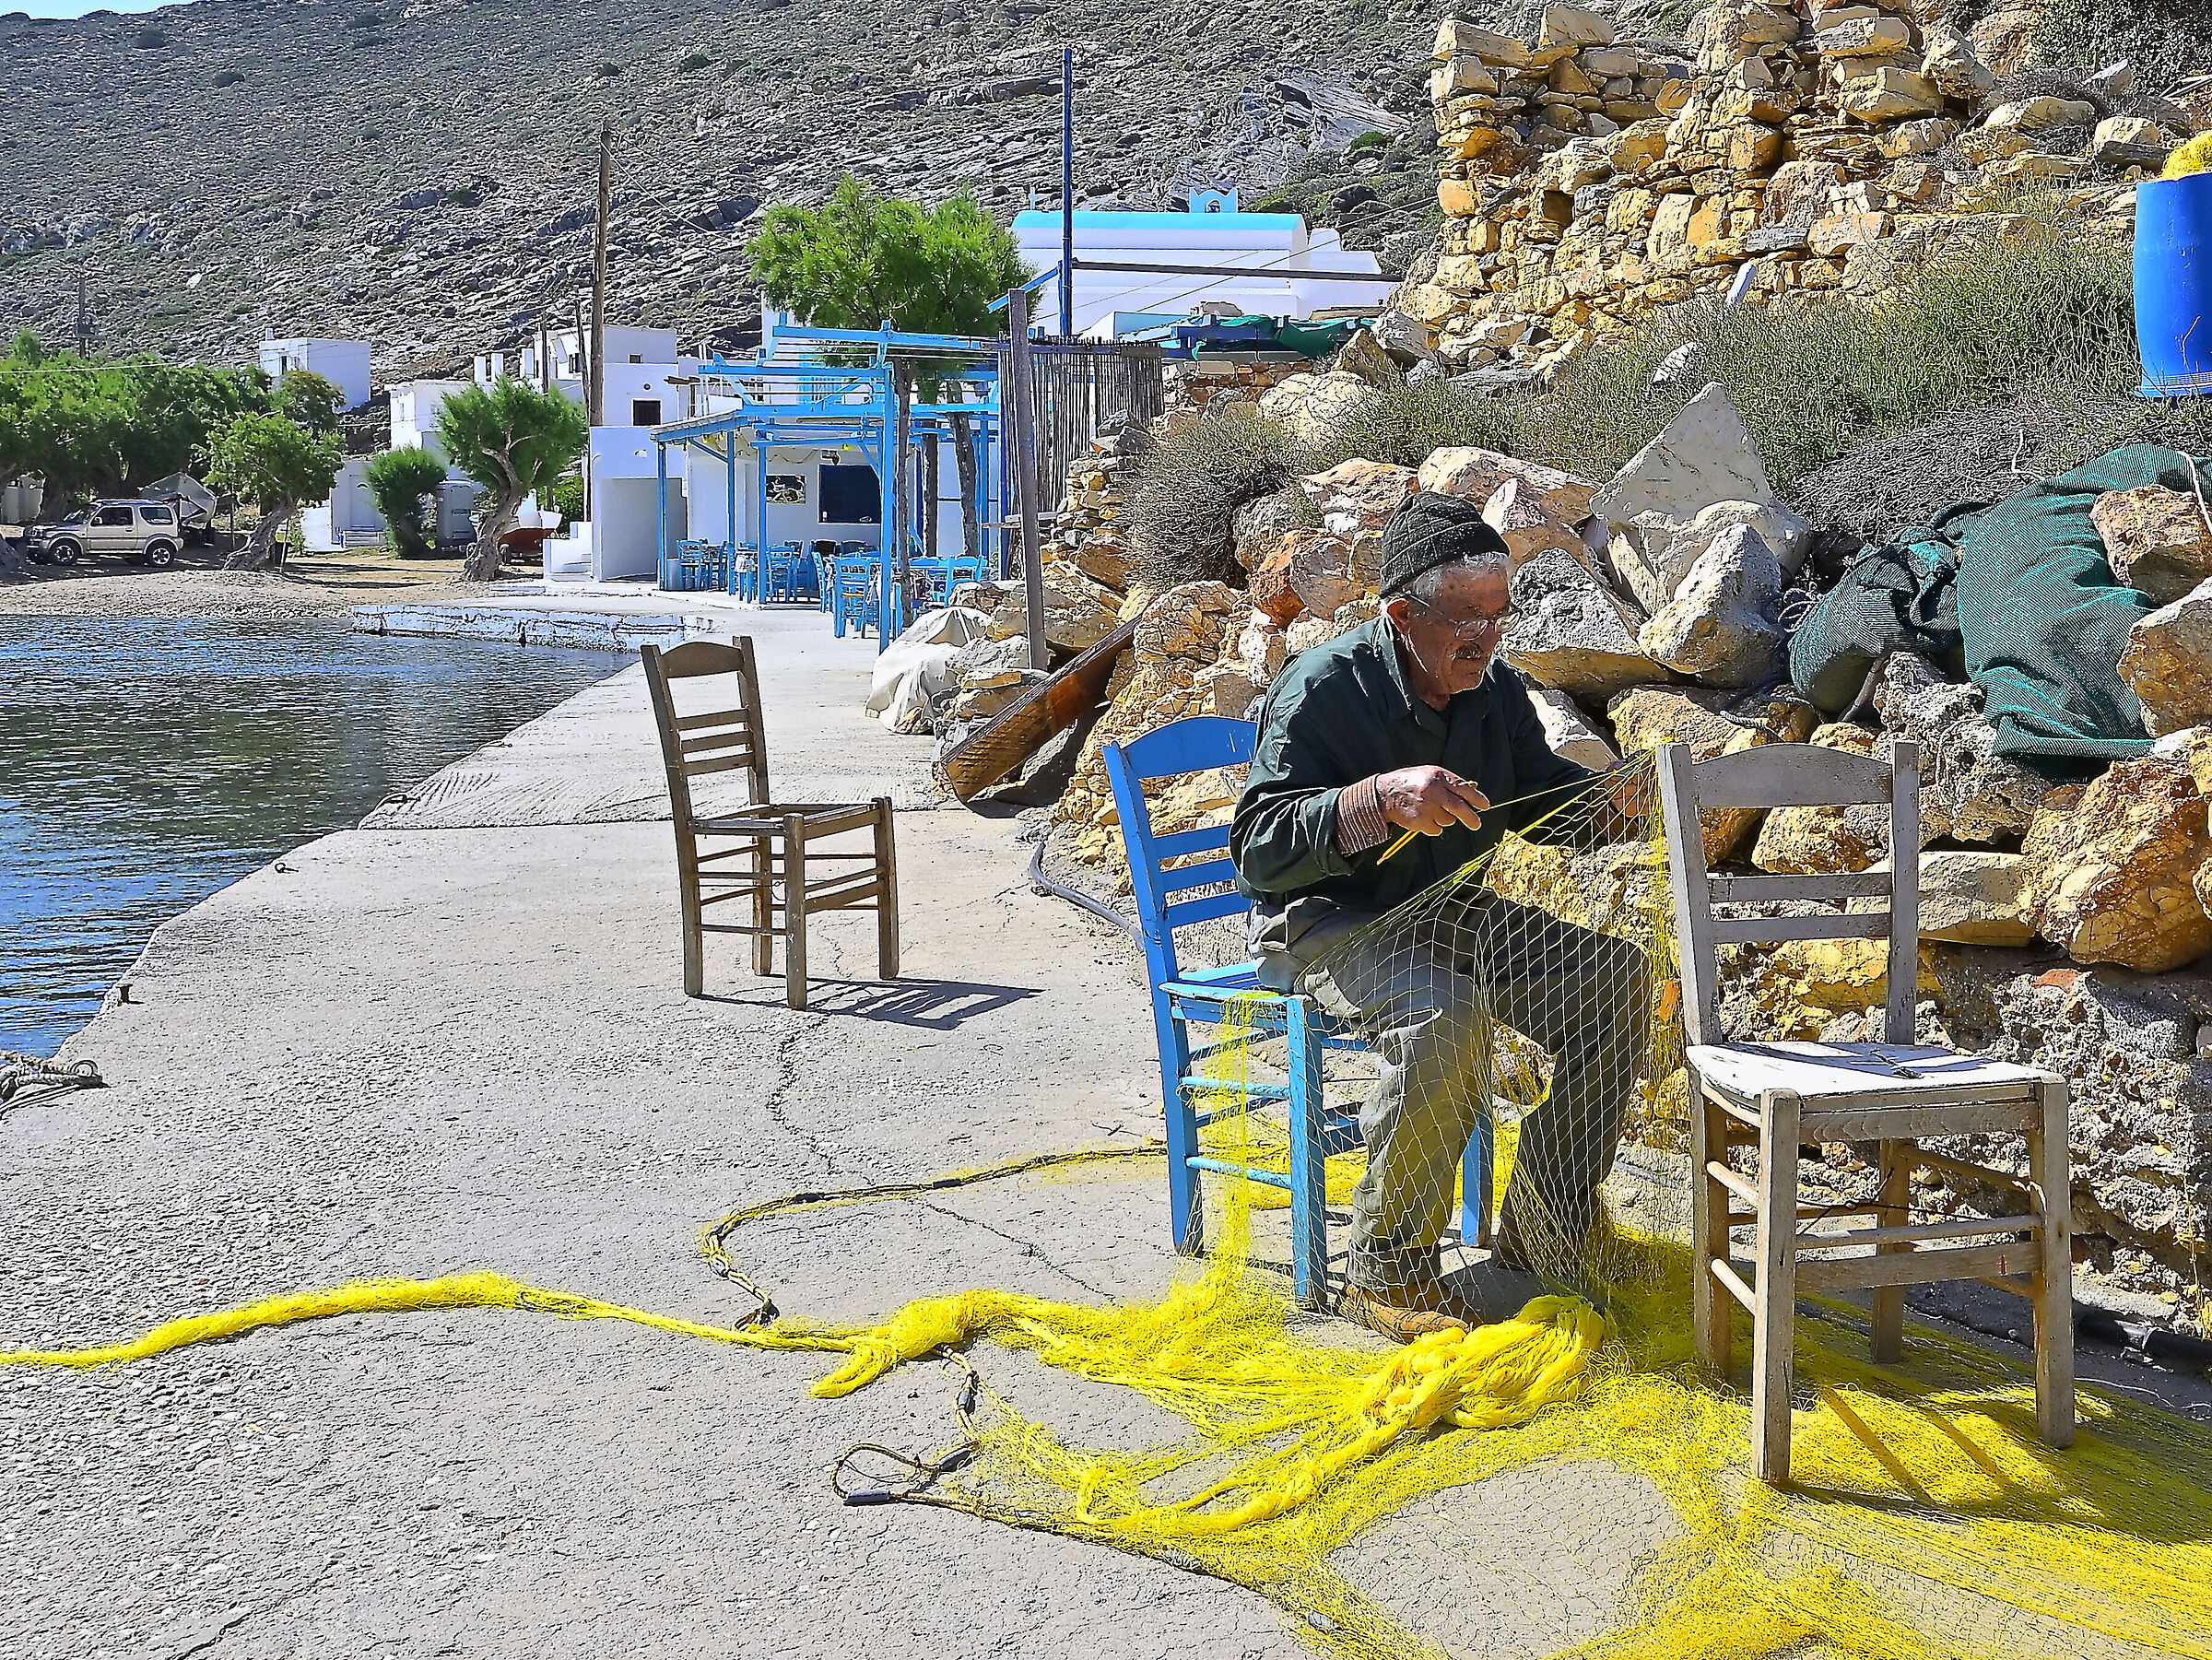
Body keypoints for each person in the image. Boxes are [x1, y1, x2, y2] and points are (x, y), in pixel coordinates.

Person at [1229, 491, 1650, 1343]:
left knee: (1616, 979)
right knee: (1444, 1013)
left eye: (1497, 618)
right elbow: (1258, 848)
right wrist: (1376, 800)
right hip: (1326, 919)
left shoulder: (1491, 691)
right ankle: (1386, 1267)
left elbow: (1534, 799)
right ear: (1400, 614)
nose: (1486, 639)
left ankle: (1543, 1218)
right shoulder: (1321, 688)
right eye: (1466, 620)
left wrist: (1612, 803)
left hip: (1445, 909)